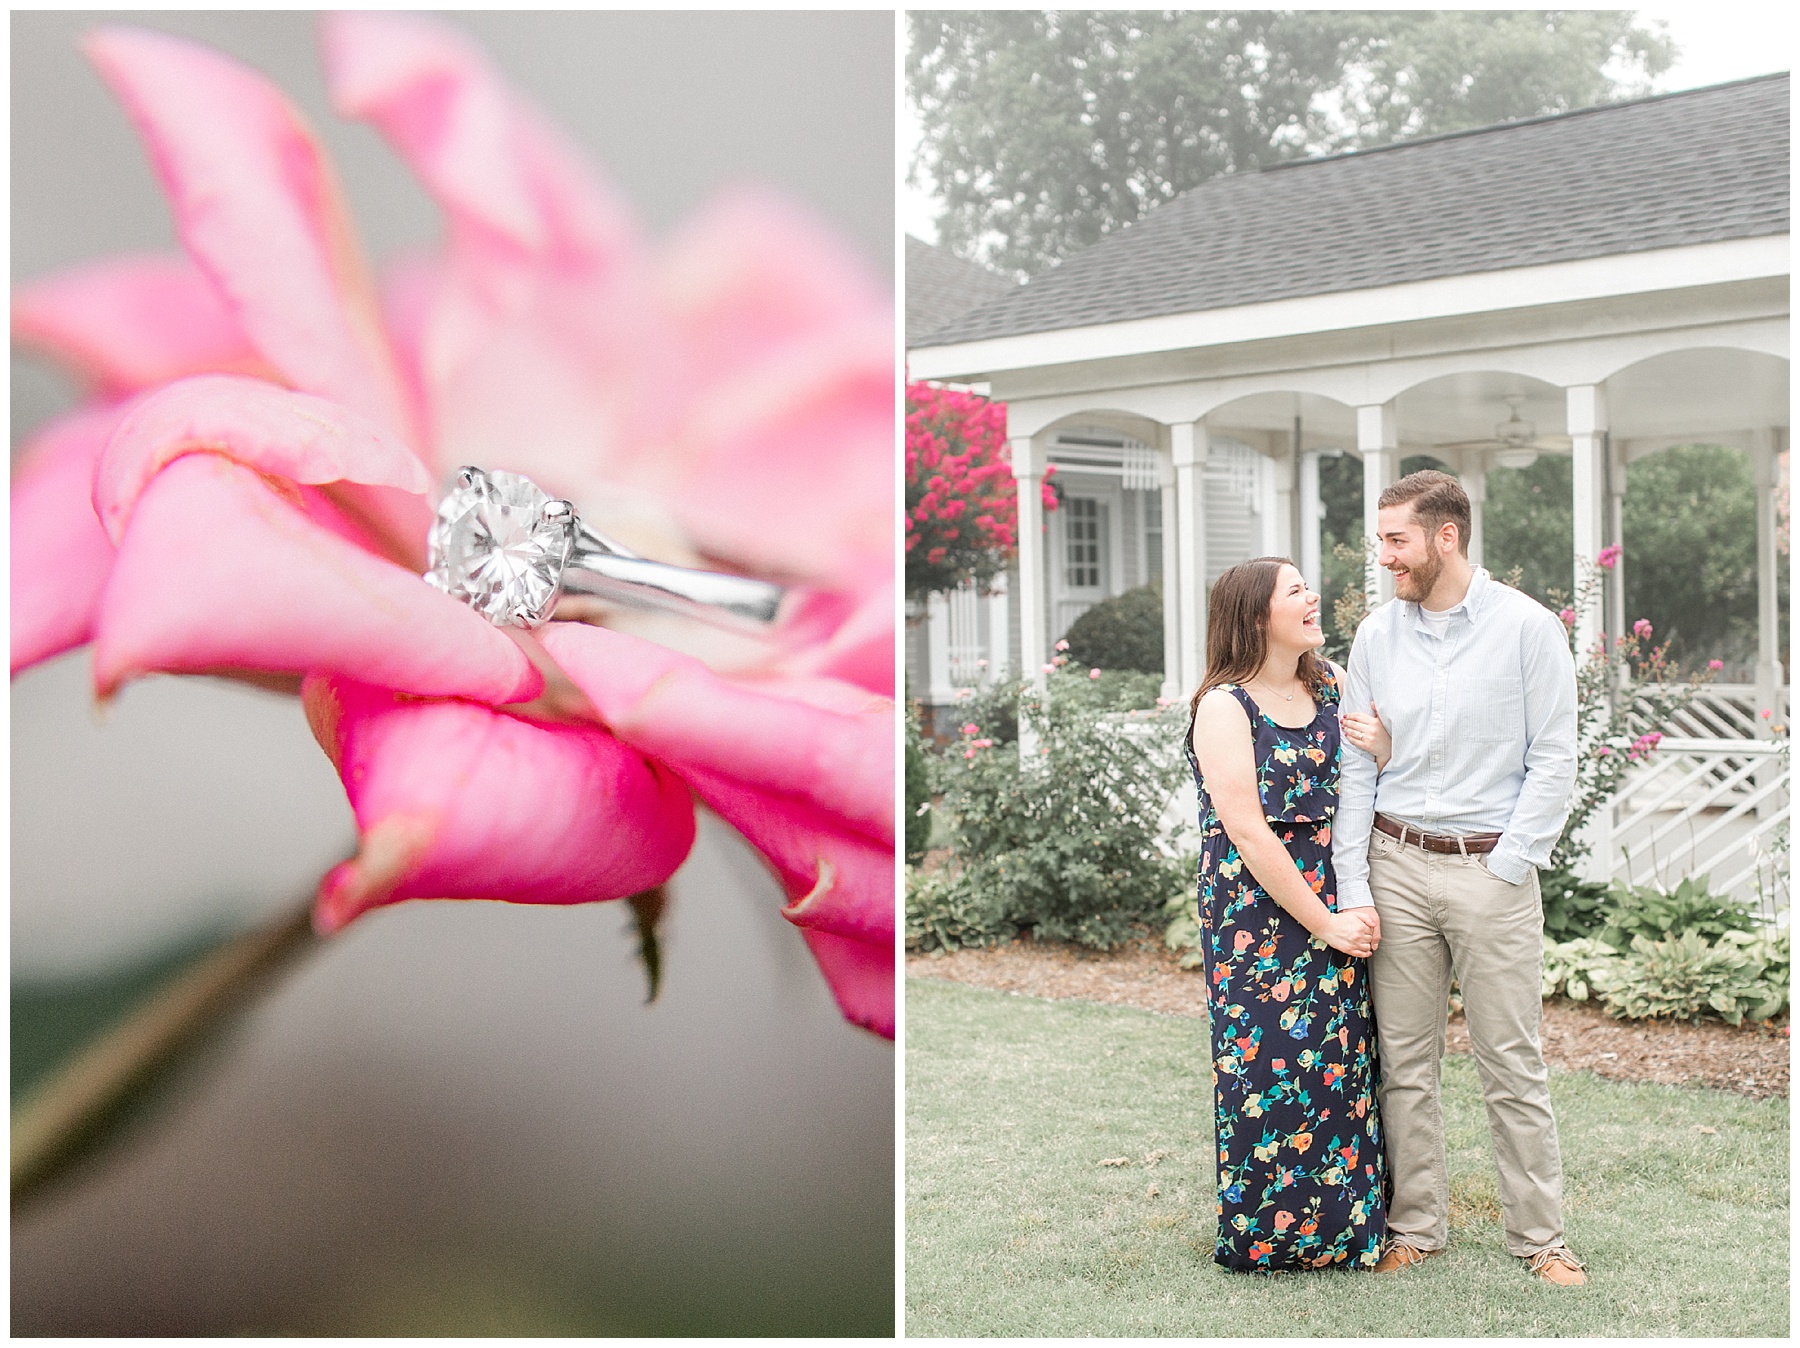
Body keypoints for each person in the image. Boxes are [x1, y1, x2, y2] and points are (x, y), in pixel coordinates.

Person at [1332, 469, 1585, 1287]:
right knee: (1404, 1062)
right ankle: (1415, 1228)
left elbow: (1555, 760)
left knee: (1511, 1061)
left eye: (1396, 541)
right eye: (1382, 542)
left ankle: (1541, 1239)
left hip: (1492, 871)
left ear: (1447, 536)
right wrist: (1357, 882)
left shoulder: (1527, 629)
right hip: (1396, 863)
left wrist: (1508, 864)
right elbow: (1358, 765)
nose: (1385, 559)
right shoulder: (1375, 635)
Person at [1184, 557, 1387, 1272]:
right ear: (1256, 614)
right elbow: (1246, 828)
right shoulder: (1223, 705)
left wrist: (1383, 748)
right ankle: (1269, 1237)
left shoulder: (1328, 683)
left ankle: (1348, 1229)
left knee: (1341, 1061)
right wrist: (1323, 922)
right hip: (1256, 912)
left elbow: (1371, 770)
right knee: (1266, 1065)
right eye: (1295, 590)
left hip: (1338, 886)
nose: (1312, 598)